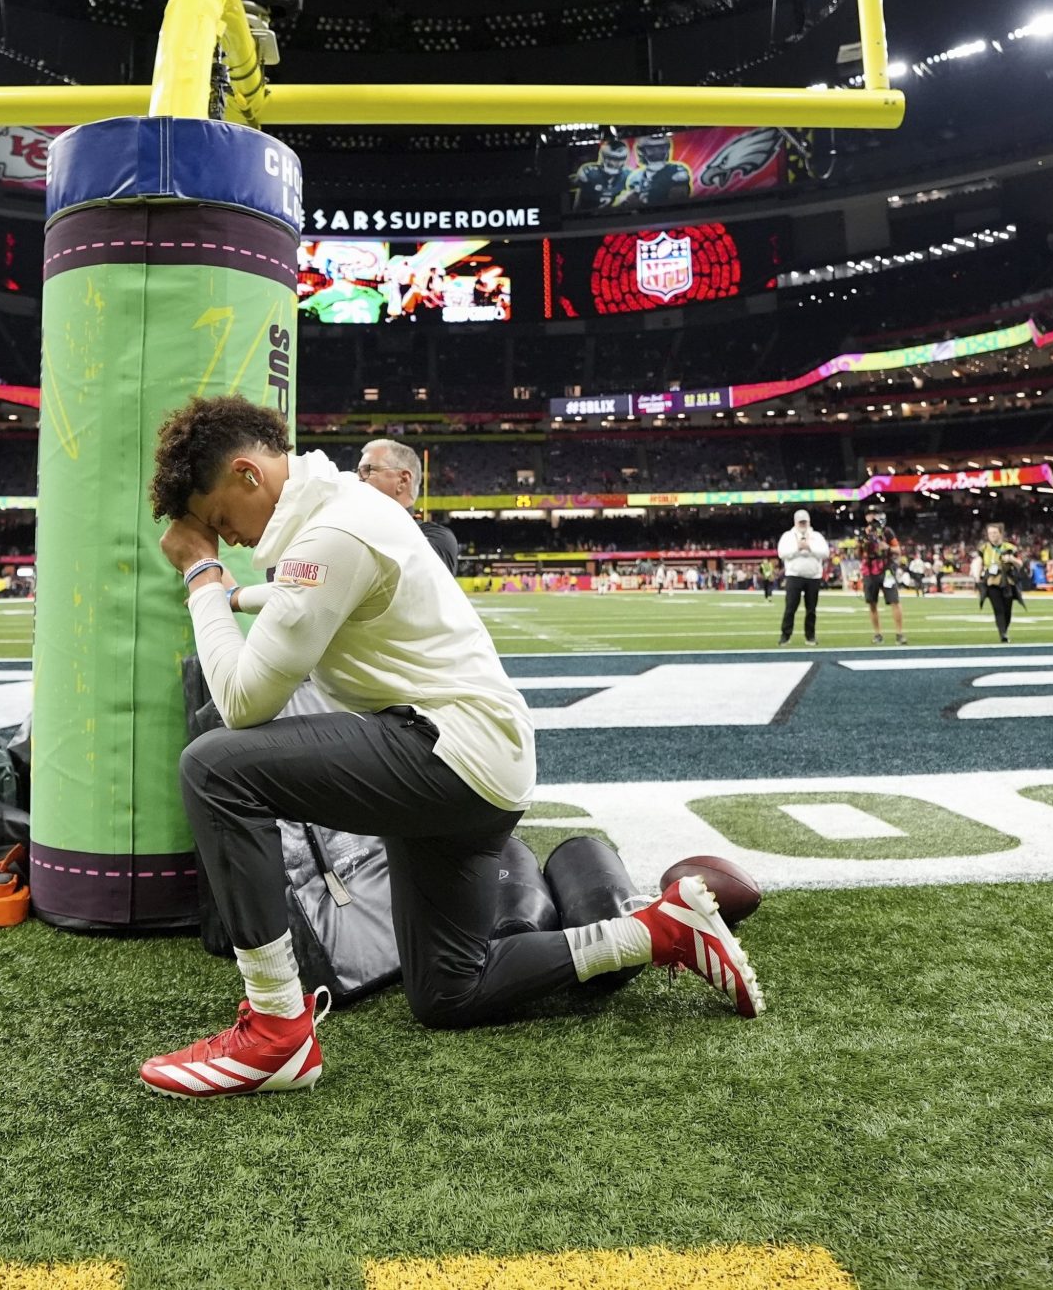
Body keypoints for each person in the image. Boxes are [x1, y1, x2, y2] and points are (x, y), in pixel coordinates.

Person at [146, 396, 759, 1097]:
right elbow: (302, 597)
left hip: (445, 750)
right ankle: (657, 931)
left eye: (221, 517)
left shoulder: (332, 531)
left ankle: (275, 1030)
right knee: (448, 991)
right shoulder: (340, 510)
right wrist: (232, 592)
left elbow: (242, 701)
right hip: (479, 765)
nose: (224, 536)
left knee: (215, 767)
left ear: (248, 474)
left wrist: (200, 577)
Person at [357, 438, 458, 574]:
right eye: (357, 472)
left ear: (402, 480)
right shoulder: (356, 530)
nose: (358, 479)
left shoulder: (436, 538)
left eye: (367, 470)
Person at [776, 509, 828, 646]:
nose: (803, 524)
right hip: (794, 575)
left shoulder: (816, 536)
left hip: (813, 576)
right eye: (800, 522)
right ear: (795, 522)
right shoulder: (788, 536)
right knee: (790, 607)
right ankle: (785, 636)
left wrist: (810, 547)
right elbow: (782, 553)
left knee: (811, 609)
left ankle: (810, 636)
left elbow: (825, 552)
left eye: (805, 522)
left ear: (809, 521)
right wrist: (797, 548)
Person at [858, 513, 905, 646]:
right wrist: (861, 543)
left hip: (886, 569)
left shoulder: (887, 532)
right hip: (869, 570)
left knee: (894, 601)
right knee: (872, 603)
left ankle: (899, 633)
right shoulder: (864, 533)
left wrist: (887, 547)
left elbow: (898, 550)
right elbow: (858, 554)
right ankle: (877, 634)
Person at [976, 522, 1023, 643]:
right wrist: (977, 578)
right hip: (992, 581)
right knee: (998, 609)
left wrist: (1011, 559)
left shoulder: (1010, 548)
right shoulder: (984, 548)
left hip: (1007, 581)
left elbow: (1020, 564)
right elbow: (980, 563)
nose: (992, 535)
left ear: (1001, 534)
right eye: (990, 533)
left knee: (1007, 609)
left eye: (995, 533)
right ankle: (1003, 633)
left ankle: (1004, 630)